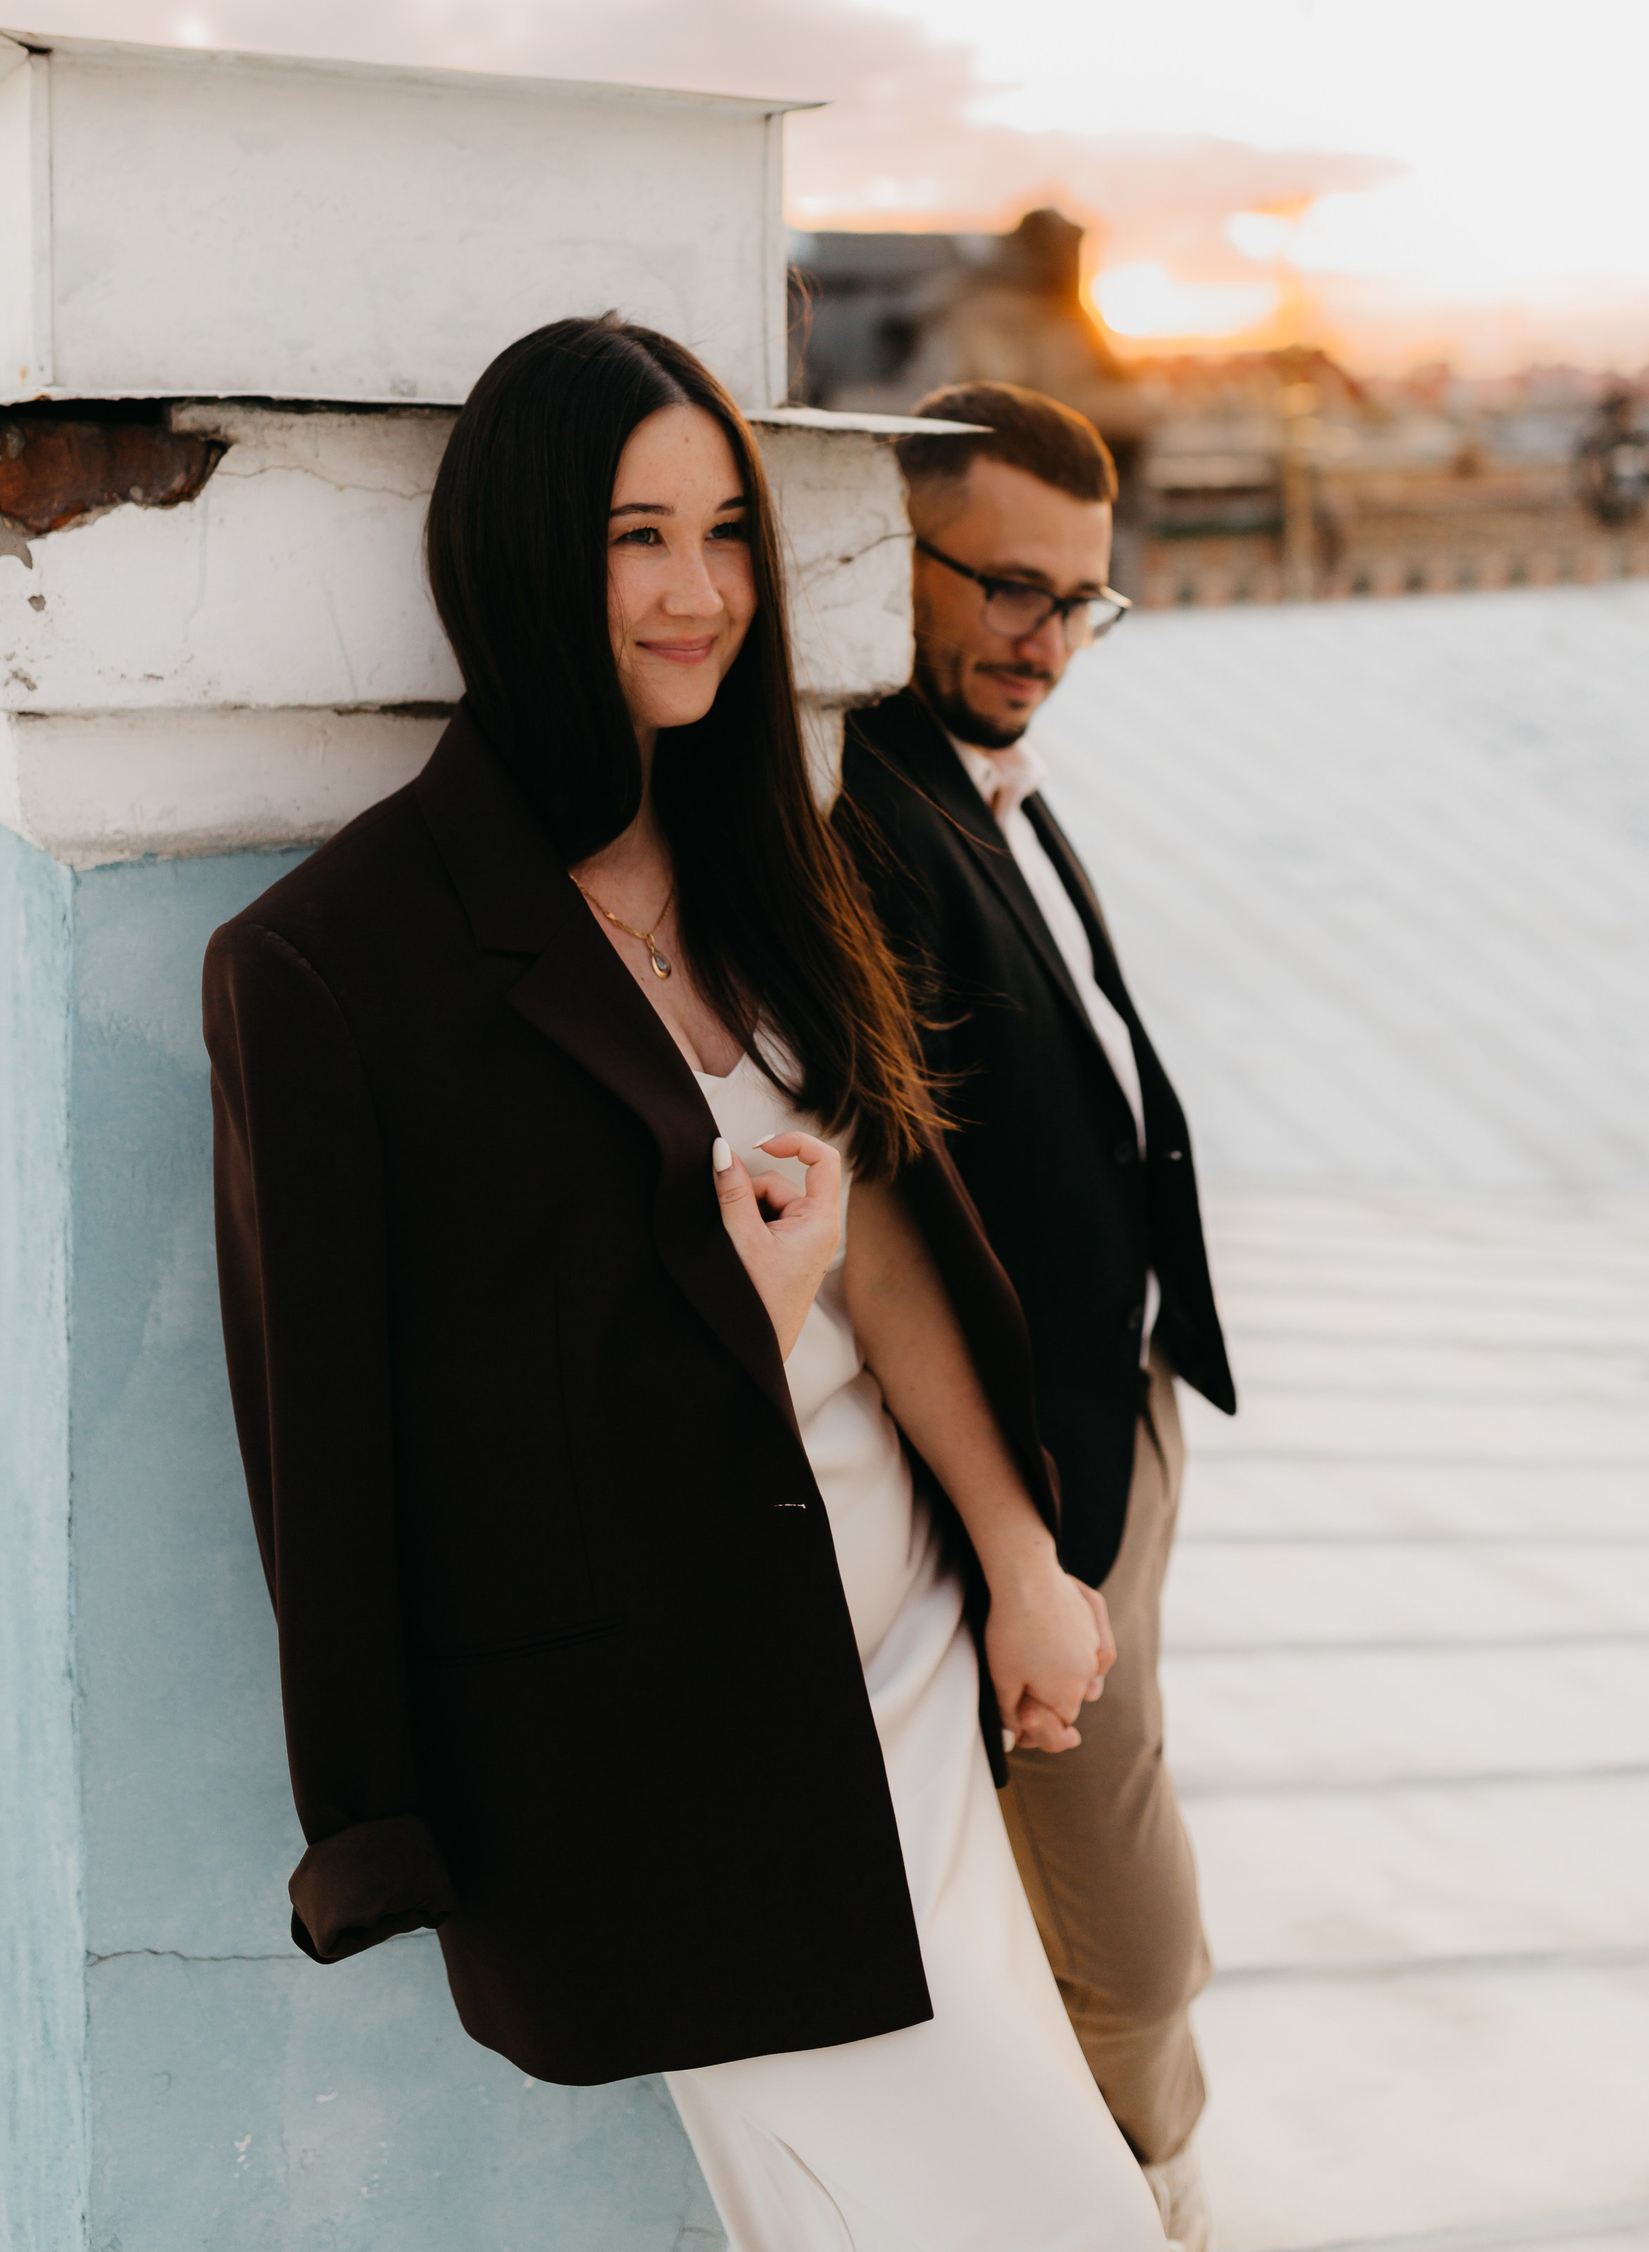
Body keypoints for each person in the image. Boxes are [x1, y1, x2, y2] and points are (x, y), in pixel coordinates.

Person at [204, 317, 1167, 2251]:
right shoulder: (331, 967)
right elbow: (356, 1455)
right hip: (672, 1757)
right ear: (518, 560)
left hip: (909, 1665)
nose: (699, 592)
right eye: (636, 537)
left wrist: (1018, 1559)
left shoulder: (770, 858)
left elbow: (891, 1236)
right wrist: (367, 1824)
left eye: (726, 531)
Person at [835, 381, 1237, 2252]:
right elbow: (890, 1212)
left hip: (1116, 1418)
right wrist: (1021, 1547)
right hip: (1035, 1486)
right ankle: (1146, 2205)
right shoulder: (861, 805)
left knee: (1103, 1908)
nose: (1048, 641)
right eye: (1007, 587)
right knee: (1133, 1957)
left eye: (1082, 601)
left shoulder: (978, 772)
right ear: (888, 556)